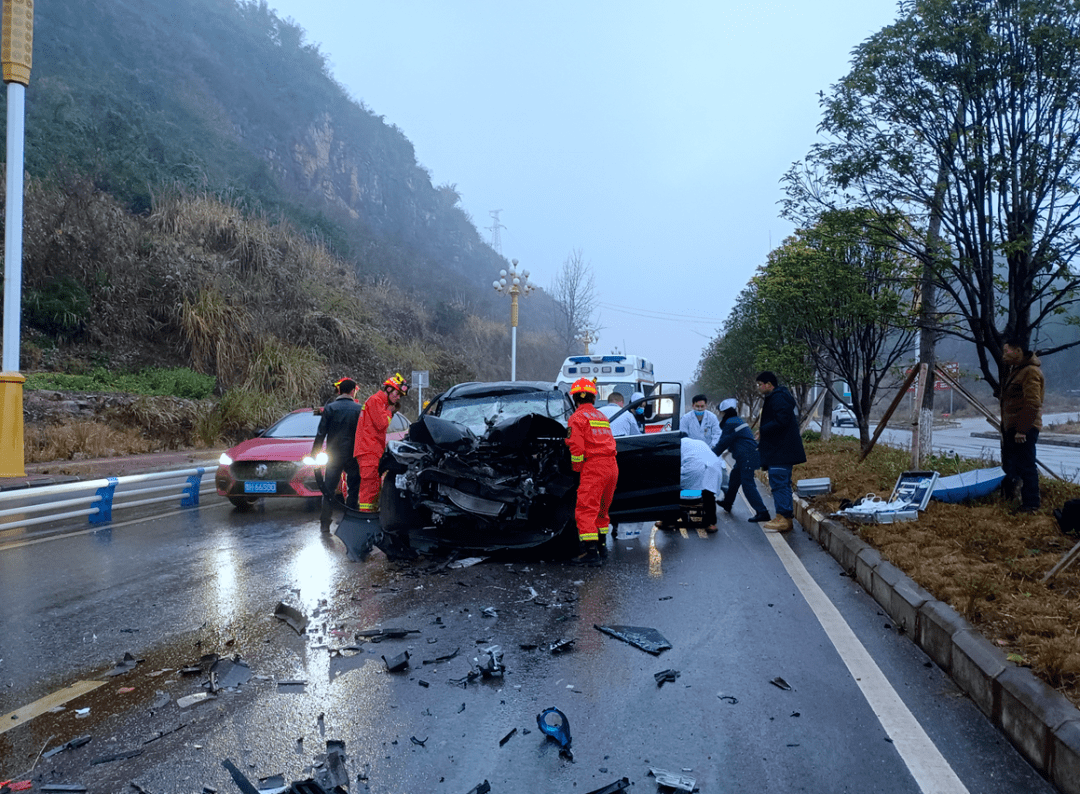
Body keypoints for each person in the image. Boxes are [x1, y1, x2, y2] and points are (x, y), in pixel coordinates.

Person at [565, 377, 619, 566]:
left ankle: (590, 553)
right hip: (611, 466)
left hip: (594, 467)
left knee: (586, 509)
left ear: (575, 399)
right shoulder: (601, 417)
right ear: (594, 399)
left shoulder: (577, 418)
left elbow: (576, 448)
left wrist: (576, 470)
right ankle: (602, 548)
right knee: (602, 510)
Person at [755, 372, 806, 532]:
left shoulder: (778, 398)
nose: (758, 388)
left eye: (759, 384)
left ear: (768, 384)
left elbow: (781, 420)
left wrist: (763, 430)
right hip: (779, 450)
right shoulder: (777, 397)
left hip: (781, 451)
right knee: (780, 483)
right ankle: (784, 517)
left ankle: (783, 517)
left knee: (779, 483)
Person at [311, 377, 363, 530]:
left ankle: (325, 522)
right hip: (353, 454)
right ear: (353, 391)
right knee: (353, 488)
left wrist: (315, 452)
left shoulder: (330, 408)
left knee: (328, 488)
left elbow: (321, 433)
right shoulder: (359, 409)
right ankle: (351, 519)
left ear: (339, 390)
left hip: (333, 454)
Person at [354, 372, 409, 513]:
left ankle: (371, 514)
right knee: (369, 486)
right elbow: (381, 424)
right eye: (397, 394)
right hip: (368, 450)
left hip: (372, 449)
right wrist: (390, 412)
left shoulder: (379, 402)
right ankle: (366, 517)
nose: (397, 398)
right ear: (389, 389)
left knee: (374, 485)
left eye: (400, 396)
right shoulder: (376, 401)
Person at [1000, 339, 1044, 513]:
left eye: (1006, 351)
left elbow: (1033, 403)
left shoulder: (1030, 372)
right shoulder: (1016, 371)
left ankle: (1031, 504)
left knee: (1027, 466)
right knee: (1017, 465)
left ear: (1017, 351)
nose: (1004, 356)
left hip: (1024, 428)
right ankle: (1019, 501)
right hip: (1014, 428)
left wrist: (1022, 430)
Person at [712, 398, 771, 523]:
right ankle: (728, 503)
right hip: (745, 456)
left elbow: (723, 442)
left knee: (747, 484)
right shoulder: (736, 420)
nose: (719, 415)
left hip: (747, 457)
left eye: (720, 412)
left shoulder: (731, 422)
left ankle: (762, 512)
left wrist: (710, 455)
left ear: (724, 412)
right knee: (734, 478)